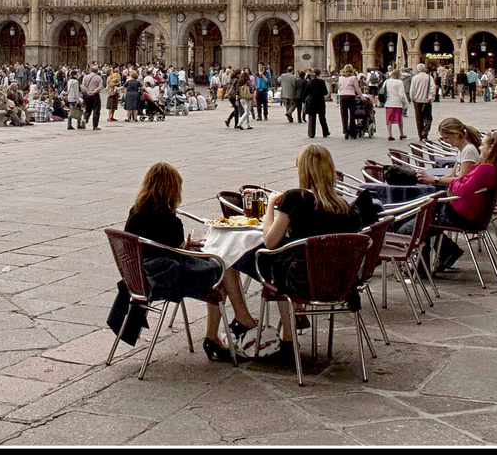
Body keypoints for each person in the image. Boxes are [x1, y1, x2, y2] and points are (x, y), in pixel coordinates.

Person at [245, 145, 380, 363]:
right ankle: (295, 315)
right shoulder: (343, 206)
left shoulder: (294, 199)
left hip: (301, 281)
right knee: (284, 260)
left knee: (264, 259)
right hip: (341, 281)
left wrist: (271, 205)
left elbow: (270, 241)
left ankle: (286, 335)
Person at [117, 162, 262, 362]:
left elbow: (162, 244)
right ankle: (227, 327)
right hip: (164, 276)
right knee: (222, 265)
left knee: (220, 266)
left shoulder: (136, 210)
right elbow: (175, 248)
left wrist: (183, 248)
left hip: (140, 274)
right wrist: (188, 248)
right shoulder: (167, 217)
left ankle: (233, 323)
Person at [406, 130, 497, 274]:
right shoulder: (495, 168)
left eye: (483, 145)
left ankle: (423, 261)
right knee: (428, 216)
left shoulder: (485, 169)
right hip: (474, 214)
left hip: (462, 216)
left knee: (423, 219)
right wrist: (457, 181)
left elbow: (462, 188)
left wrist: (452, 183)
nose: (480, 148)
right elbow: (461, 181)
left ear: (491, 148)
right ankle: (436, 258)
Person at [408, 63, 436, 141]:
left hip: (417, 101)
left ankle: (420, 134)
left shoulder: (415, 78)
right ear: (424, 69)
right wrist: (430, 98)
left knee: (418, 118)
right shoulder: (429, 77)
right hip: (426, 101)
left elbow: (412, 90)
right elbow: (433, 88)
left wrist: (412, 98)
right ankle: (425, 133)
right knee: (428, 118)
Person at [301, 68, 330, 139]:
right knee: (322, 117)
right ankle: (325, 132)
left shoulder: (310, 82)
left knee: (311, 118)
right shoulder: (322, 82)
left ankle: (311, 133)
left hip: (311, 101)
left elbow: (306, 93)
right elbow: (326, 92)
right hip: (320, 101)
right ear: (319, 74)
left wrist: (305, 99)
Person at [380, 69, 408, 141]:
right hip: (397, 103)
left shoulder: (387, 81)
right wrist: (405, 103)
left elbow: (383, 91)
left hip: (388, 103)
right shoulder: (399, 82)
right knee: (399, 119)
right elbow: (401, 94)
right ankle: (401, 134)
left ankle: (390, 134)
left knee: (389, 119)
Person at [337, 65, 363, 139]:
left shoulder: (340, 78)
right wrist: (361, 97)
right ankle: (352, 131)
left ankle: (345, 130)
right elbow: (357, 89)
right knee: (352, 114)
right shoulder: (353, 78)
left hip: (342, 96)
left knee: (344, 115)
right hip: (350, 96)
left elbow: (339, 88)